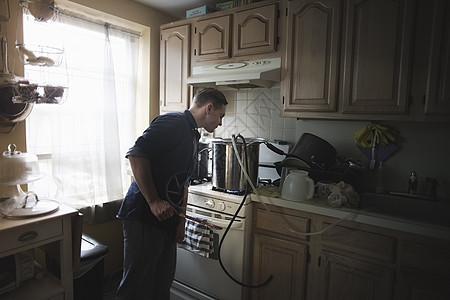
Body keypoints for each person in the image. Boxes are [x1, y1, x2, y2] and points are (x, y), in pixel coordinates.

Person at [116, 87, 228, 300]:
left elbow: (183, 182)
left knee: (162, 281)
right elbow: (136, 154)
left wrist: (181, 222)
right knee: (136, 286)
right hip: (143, 216)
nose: (220, 122)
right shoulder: (174, 123)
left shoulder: (193, 134)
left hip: (168, 219)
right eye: (220, 116)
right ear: (209, 108)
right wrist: (154, 201)